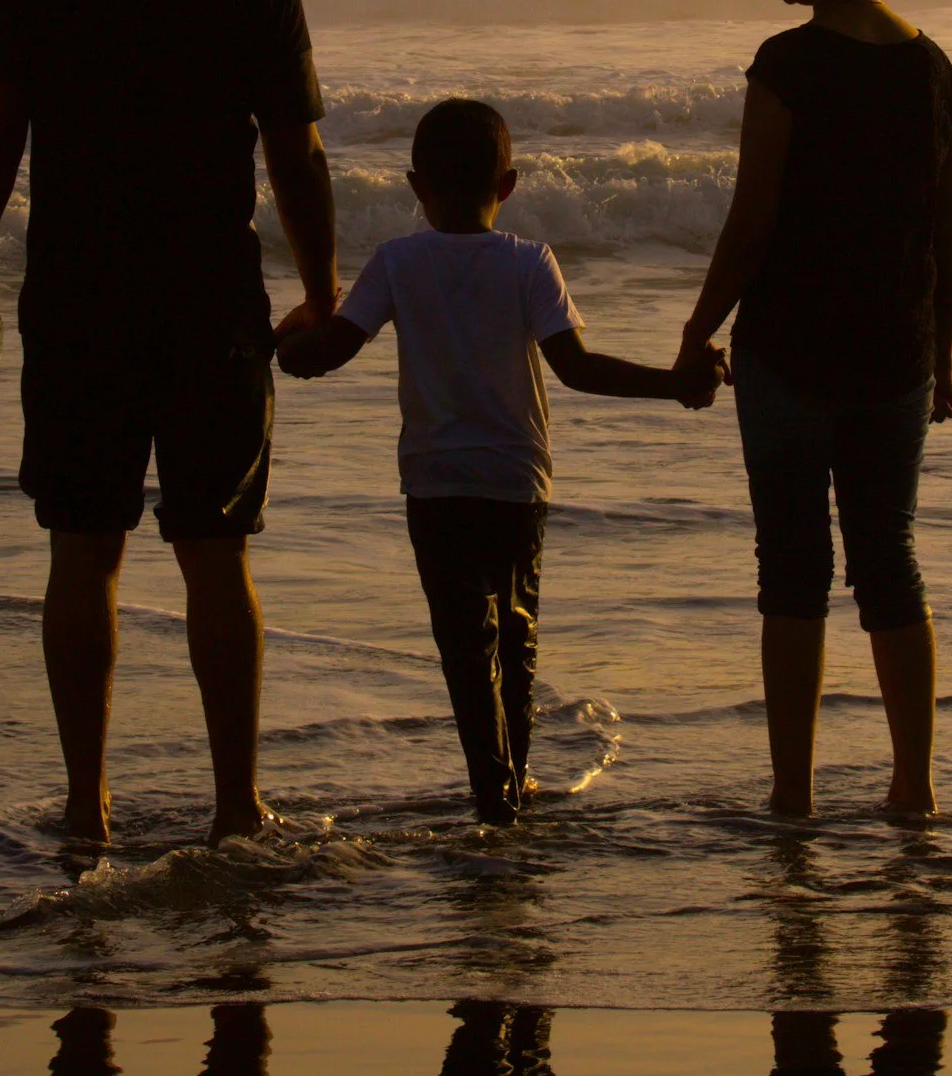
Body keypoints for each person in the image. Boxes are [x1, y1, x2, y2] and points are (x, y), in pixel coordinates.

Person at [0, 0, 339, 847]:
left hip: (80, 293)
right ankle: (235, 803)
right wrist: (323, 290)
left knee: (83, 548)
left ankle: (85, 803)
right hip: (211, 300)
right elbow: (296, 159)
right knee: (215, 552)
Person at [279, 99, 726, 825]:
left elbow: (321, 357)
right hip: (518, 483)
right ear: (509, 184)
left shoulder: (396, 260)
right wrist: (673, 384)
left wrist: (280, 338)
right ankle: (512, 783)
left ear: (414, 184)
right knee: (516, 639)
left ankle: (491, 796)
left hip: (435, 482)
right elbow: (576, 369)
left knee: (464, 647)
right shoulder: (527, 261)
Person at [676, 0, 952, 821]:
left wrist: (695, 330)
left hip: (790, 353)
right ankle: (914, 784)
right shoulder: (929, 66)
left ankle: (792, 793)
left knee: (790, 569)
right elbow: (946, 233)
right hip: (894, 352)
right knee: (888, 556)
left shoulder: (788, 63)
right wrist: (946, 354)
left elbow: (749, 224)